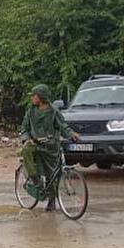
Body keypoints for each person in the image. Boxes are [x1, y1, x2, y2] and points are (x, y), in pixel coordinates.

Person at [19, 84, 79, 212]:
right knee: (26, 150)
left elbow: (63, 126)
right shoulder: (31, 111)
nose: (32, 98)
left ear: (41, 97)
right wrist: (27, 139)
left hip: (51, 146)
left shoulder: (53, 112)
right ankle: (35, 179)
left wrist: (71, 134)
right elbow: (24, 128)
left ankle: (52, 201)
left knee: (52, 173)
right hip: (36, 144)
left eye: (34, 96)